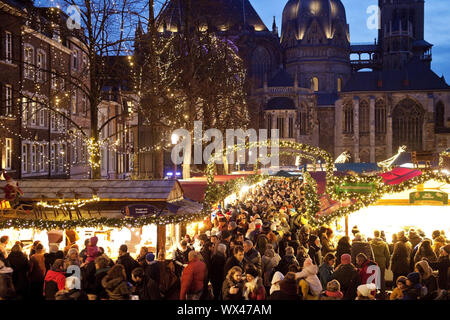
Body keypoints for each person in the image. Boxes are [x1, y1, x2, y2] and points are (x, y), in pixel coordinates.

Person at [370, 230, 390, 296]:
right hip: (381, 263)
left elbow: (369, 254)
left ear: (374, 234)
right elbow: (387, 255)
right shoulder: (384, 244)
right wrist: (387, 264)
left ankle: (373, 293)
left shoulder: (370, 243)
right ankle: (382, 293)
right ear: (379, 234)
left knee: (373, 278)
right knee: (381, 279)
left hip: (373, 263)